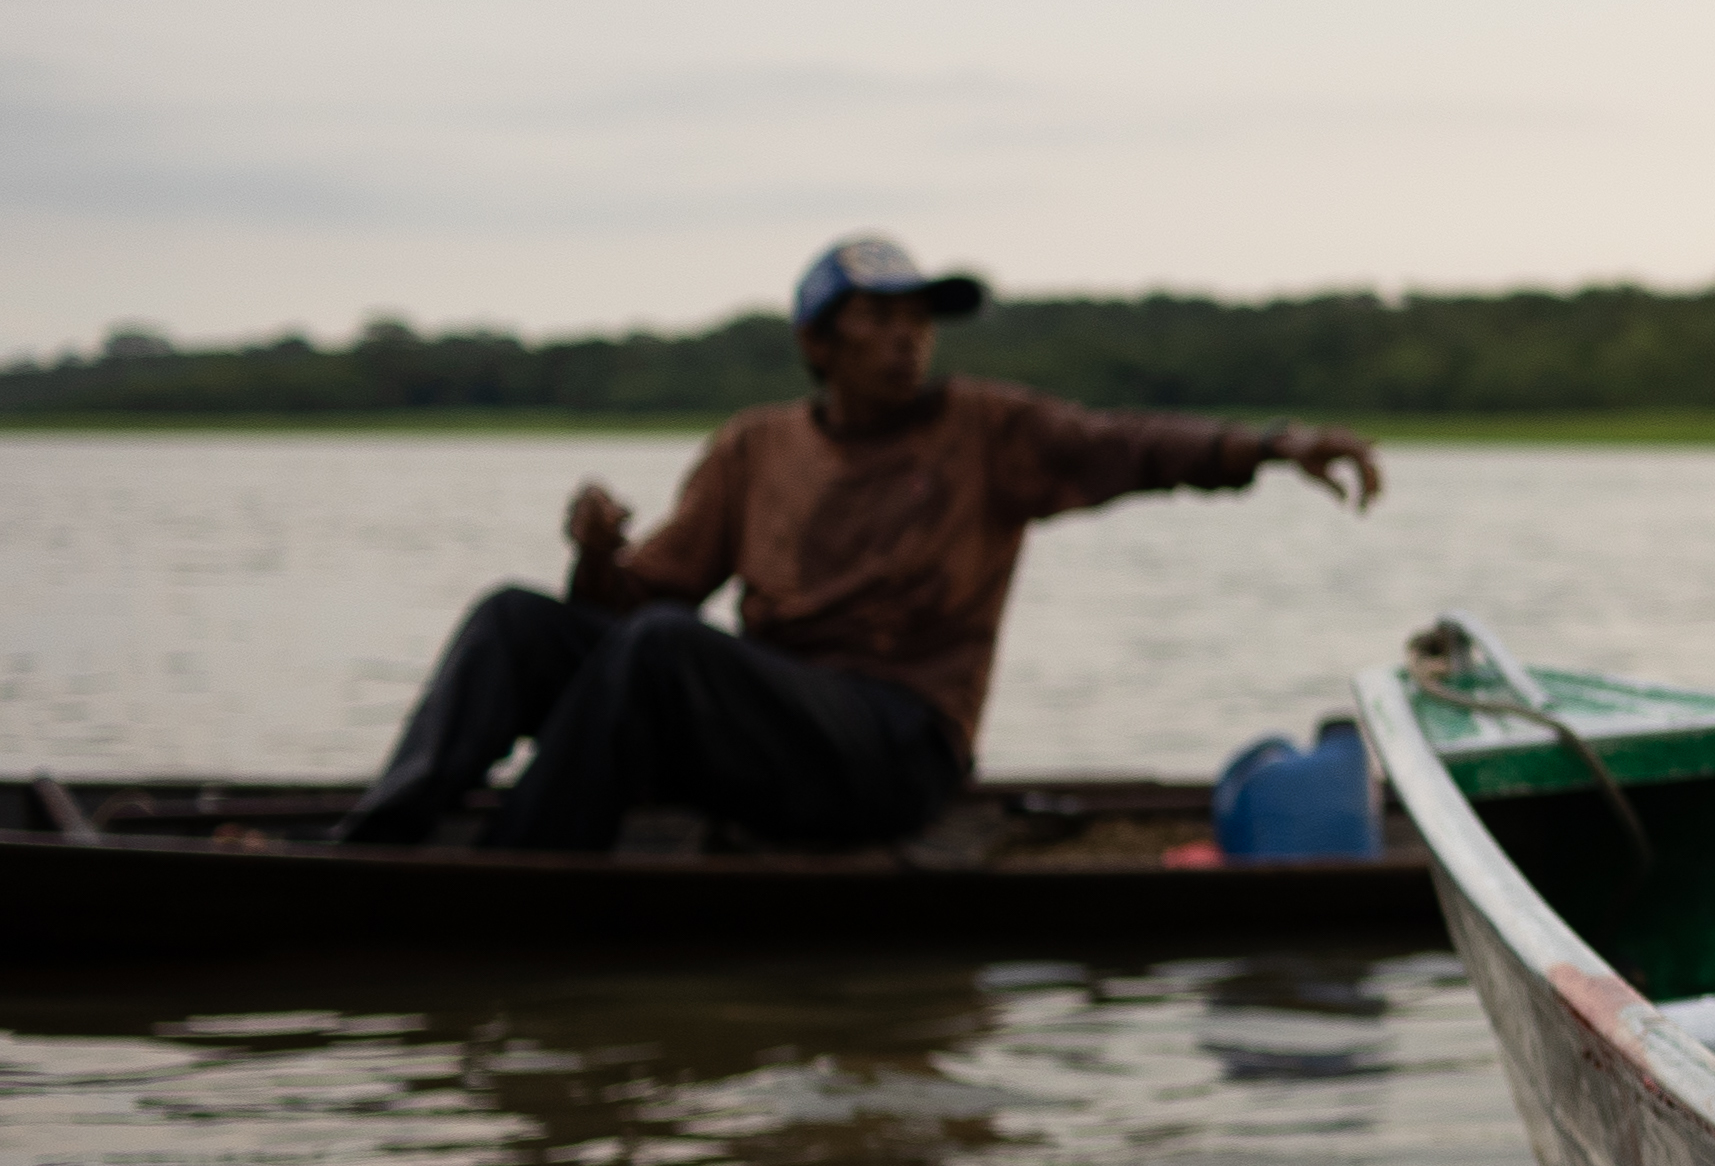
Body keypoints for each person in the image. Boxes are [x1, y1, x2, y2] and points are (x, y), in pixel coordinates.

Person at [338, 235, 1387, 854]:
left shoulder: (986, 431)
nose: (905, 338)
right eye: (876, 320)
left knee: (665, 648)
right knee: (518, 620)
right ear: (817, 345)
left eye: (917, 320)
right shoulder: (756, 446)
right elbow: (623, 618)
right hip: (769, 731)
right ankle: (378, 841)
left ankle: (520, 867)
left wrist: (1271, 444)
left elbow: (1127, 443)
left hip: (894, 747)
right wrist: (597, 557)